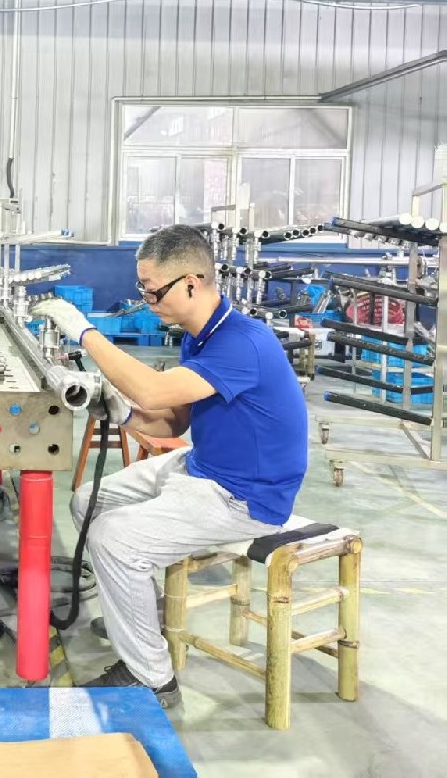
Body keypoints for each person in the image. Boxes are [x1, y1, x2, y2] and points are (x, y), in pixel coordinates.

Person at [32, 224, 308, 707]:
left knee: (112, 538)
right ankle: (144, 618)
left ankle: (151, 678)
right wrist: (120, 411)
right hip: (203, 466)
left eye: (152, 290)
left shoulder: (243, 342)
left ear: (192, 283)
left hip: (246, 496)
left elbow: (155, 390)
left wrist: (86, 333)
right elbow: (173, 419)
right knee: (88, 502)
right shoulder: (199, 339)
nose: (146, 300)